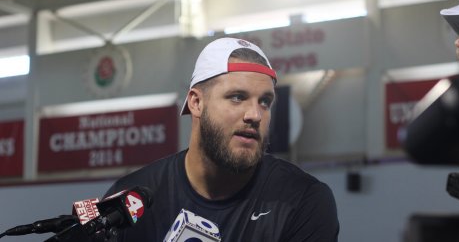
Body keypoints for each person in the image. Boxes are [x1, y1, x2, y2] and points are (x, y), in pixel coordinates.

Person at [102, 37, 339, 241]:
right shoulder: (131, 201)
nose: (255, 115)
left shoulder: (303, 200)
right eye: (237, 97)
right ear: (196, 102)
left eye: (265, 102)